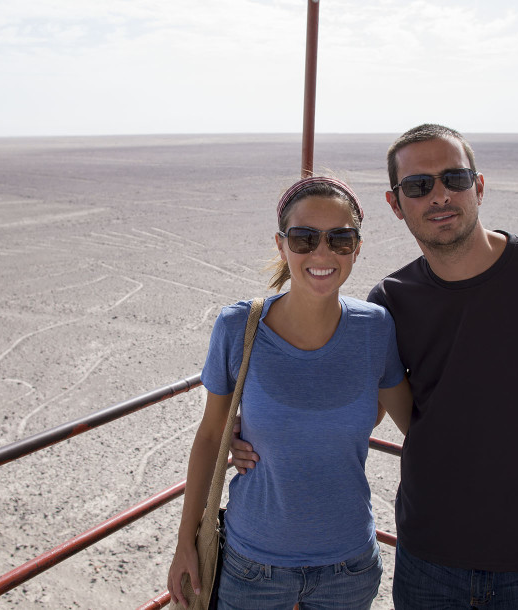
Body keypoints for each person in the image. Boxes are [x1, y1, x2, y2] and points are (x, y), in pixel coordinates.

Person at [234, 125, 518, 609]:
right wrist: (253, 429)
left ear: (479, 186)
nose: (440, 195)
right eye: (419, 186)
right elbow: (356, 409)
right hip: (426, 564)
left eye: (455, 178)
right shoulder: (391, 303)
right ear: (396, 203)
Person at [167, 175, 412, 610]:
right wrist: (186, 541)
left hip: (348, 568)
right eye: (304, 238)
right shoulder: (238, 327)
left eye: (340, 238)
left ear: (357, 247)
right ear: (281, 245)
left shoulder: (375, 328)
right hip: (252, 568)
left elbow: (411, 423)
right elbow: (209, 437)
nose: (322, 253)